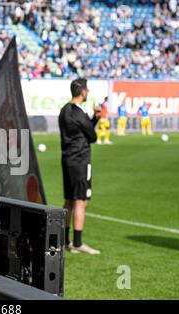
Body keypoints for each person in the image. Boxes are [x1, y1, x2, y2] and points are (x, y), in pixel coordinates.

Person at [58, 78, 102, 255]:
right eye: (87, 90)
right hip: (81, 161)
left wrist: (93, 119)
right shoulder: (78, 112)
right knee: (81, 200)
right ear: (82, 91)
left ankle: (65, 240)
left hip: (67, 159)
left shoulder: (64, 111)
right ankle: (77, 242)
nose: (88, 93)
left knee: (69, 200)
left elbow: (82, 130)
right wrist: (95, 119)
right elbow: (92, 136)